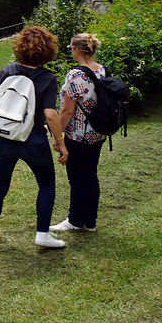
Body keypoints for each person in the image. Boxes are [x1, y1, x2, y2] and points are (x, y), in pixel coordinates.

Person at [0, 26, 69, 249]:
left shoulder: (7, 71)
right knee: (46, 184)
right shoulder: (47, 77)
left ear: (19, 47)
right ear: (48, 49)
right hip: (33, 140)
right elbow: (50, 114)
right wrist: (61, 142)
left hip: (5, 139)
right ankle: (42, 234)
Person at [51, 33, 106, 233]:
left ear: (76, 50)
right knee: (91, 175)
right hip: (97, 133)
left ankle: (74, 220)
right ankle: (90, 221)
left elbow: (67, 111)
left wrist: (59, 135)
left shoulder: (76, 75)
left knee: (76, 178)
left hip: (77, 135)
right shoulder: (102, 70)